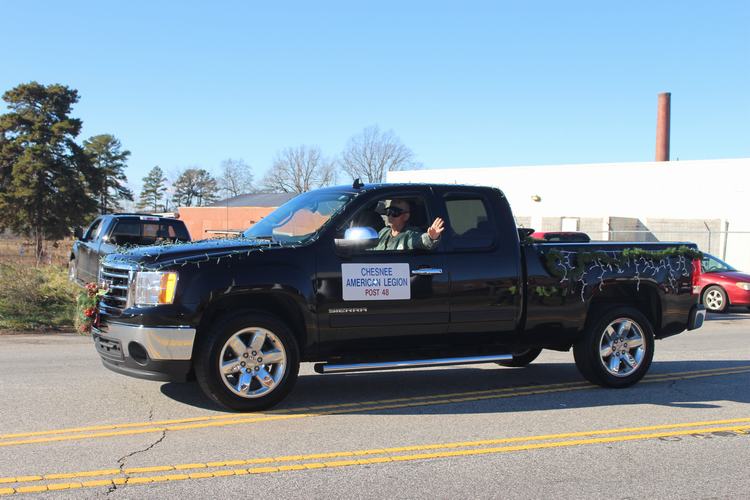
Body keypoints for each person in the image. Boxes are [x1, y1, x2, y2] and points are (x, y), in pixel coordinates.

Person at [373, 199, 444, 251]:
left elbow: (421, 240)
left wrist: (431, 237)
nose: (390, 215)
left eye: (395, 212)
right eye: (389, 211)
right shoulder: (383, 232)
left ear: (406, 216)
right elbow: (370, 249)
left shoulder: (410, 234)